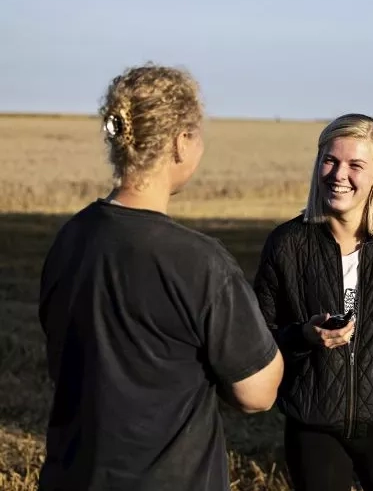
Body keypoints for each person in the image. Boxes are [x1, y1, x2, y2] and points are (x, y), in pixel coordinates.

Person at [37, 63, 284, 491]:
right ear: (179, 143)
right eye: (198, 133)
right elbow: (257, 392)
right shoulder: (199, 262)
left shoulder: (70, 239)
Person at [253, 113, 373, 491]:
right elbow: (259, 338)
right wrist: (304, 336)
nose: (339, 174)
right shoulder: (287, 244)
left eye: (356, 164)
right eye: (330, 160)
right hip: (313, 425)